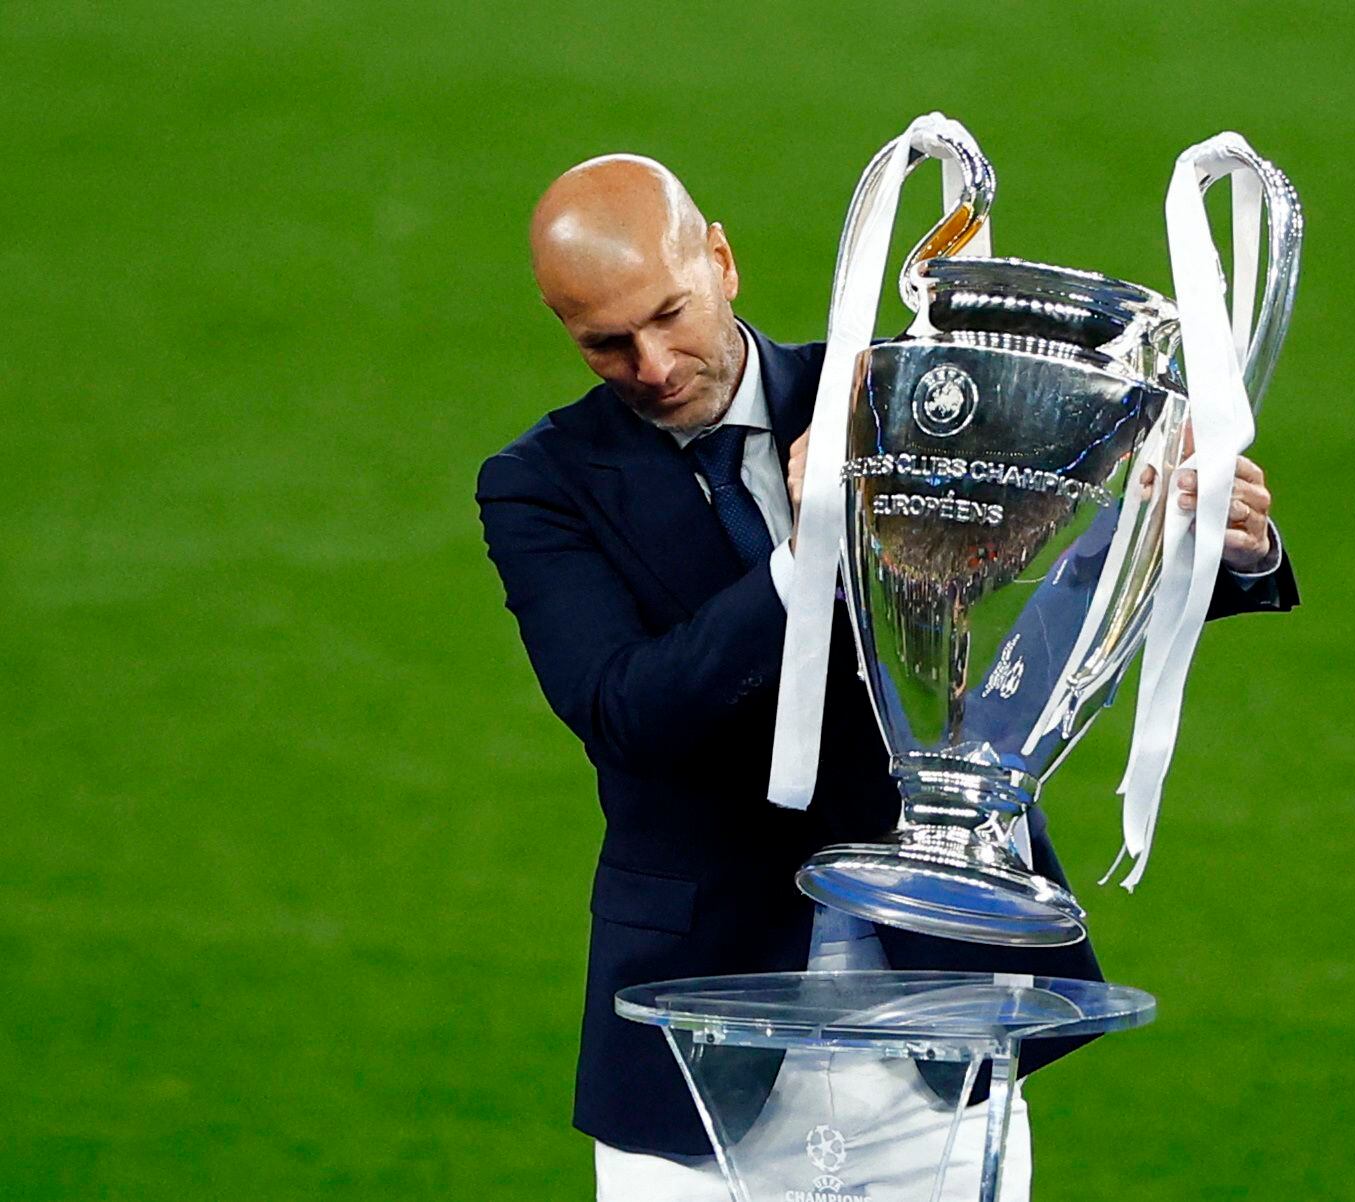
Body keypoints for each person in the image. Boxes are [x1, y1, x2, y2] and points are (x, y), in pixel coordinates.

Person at [476, 153, 1299, 1200]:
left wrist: (1200, 544)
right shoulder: (538, 483)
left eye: (668, 314)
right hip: (693, 1044)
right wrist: (806, 551)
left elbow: (1044, 591)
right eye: (605, 342)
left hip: (937, 1009)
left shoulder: (907, 394)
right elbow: (629, 710)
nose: (652, 362)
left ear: (721, 262)